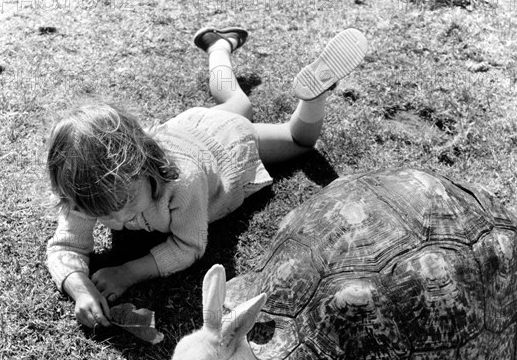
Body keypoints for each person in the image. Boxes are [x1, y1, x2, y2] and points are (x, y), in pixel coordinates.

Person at [46, 27, 368, 329]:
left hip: (224, 144)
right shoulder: (86, 186)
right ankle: (219, 45)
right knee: (235, 101)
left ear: (143, 165)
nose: (117, 217)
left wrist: (128, 272)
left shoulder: (183, 184)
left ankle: (314, 95)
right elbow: (65, 245)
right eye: (101, 212)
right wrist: (79, 287)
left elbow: (189, 246)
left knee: (295, 140)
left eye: (125, 200)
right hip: (190, 128)